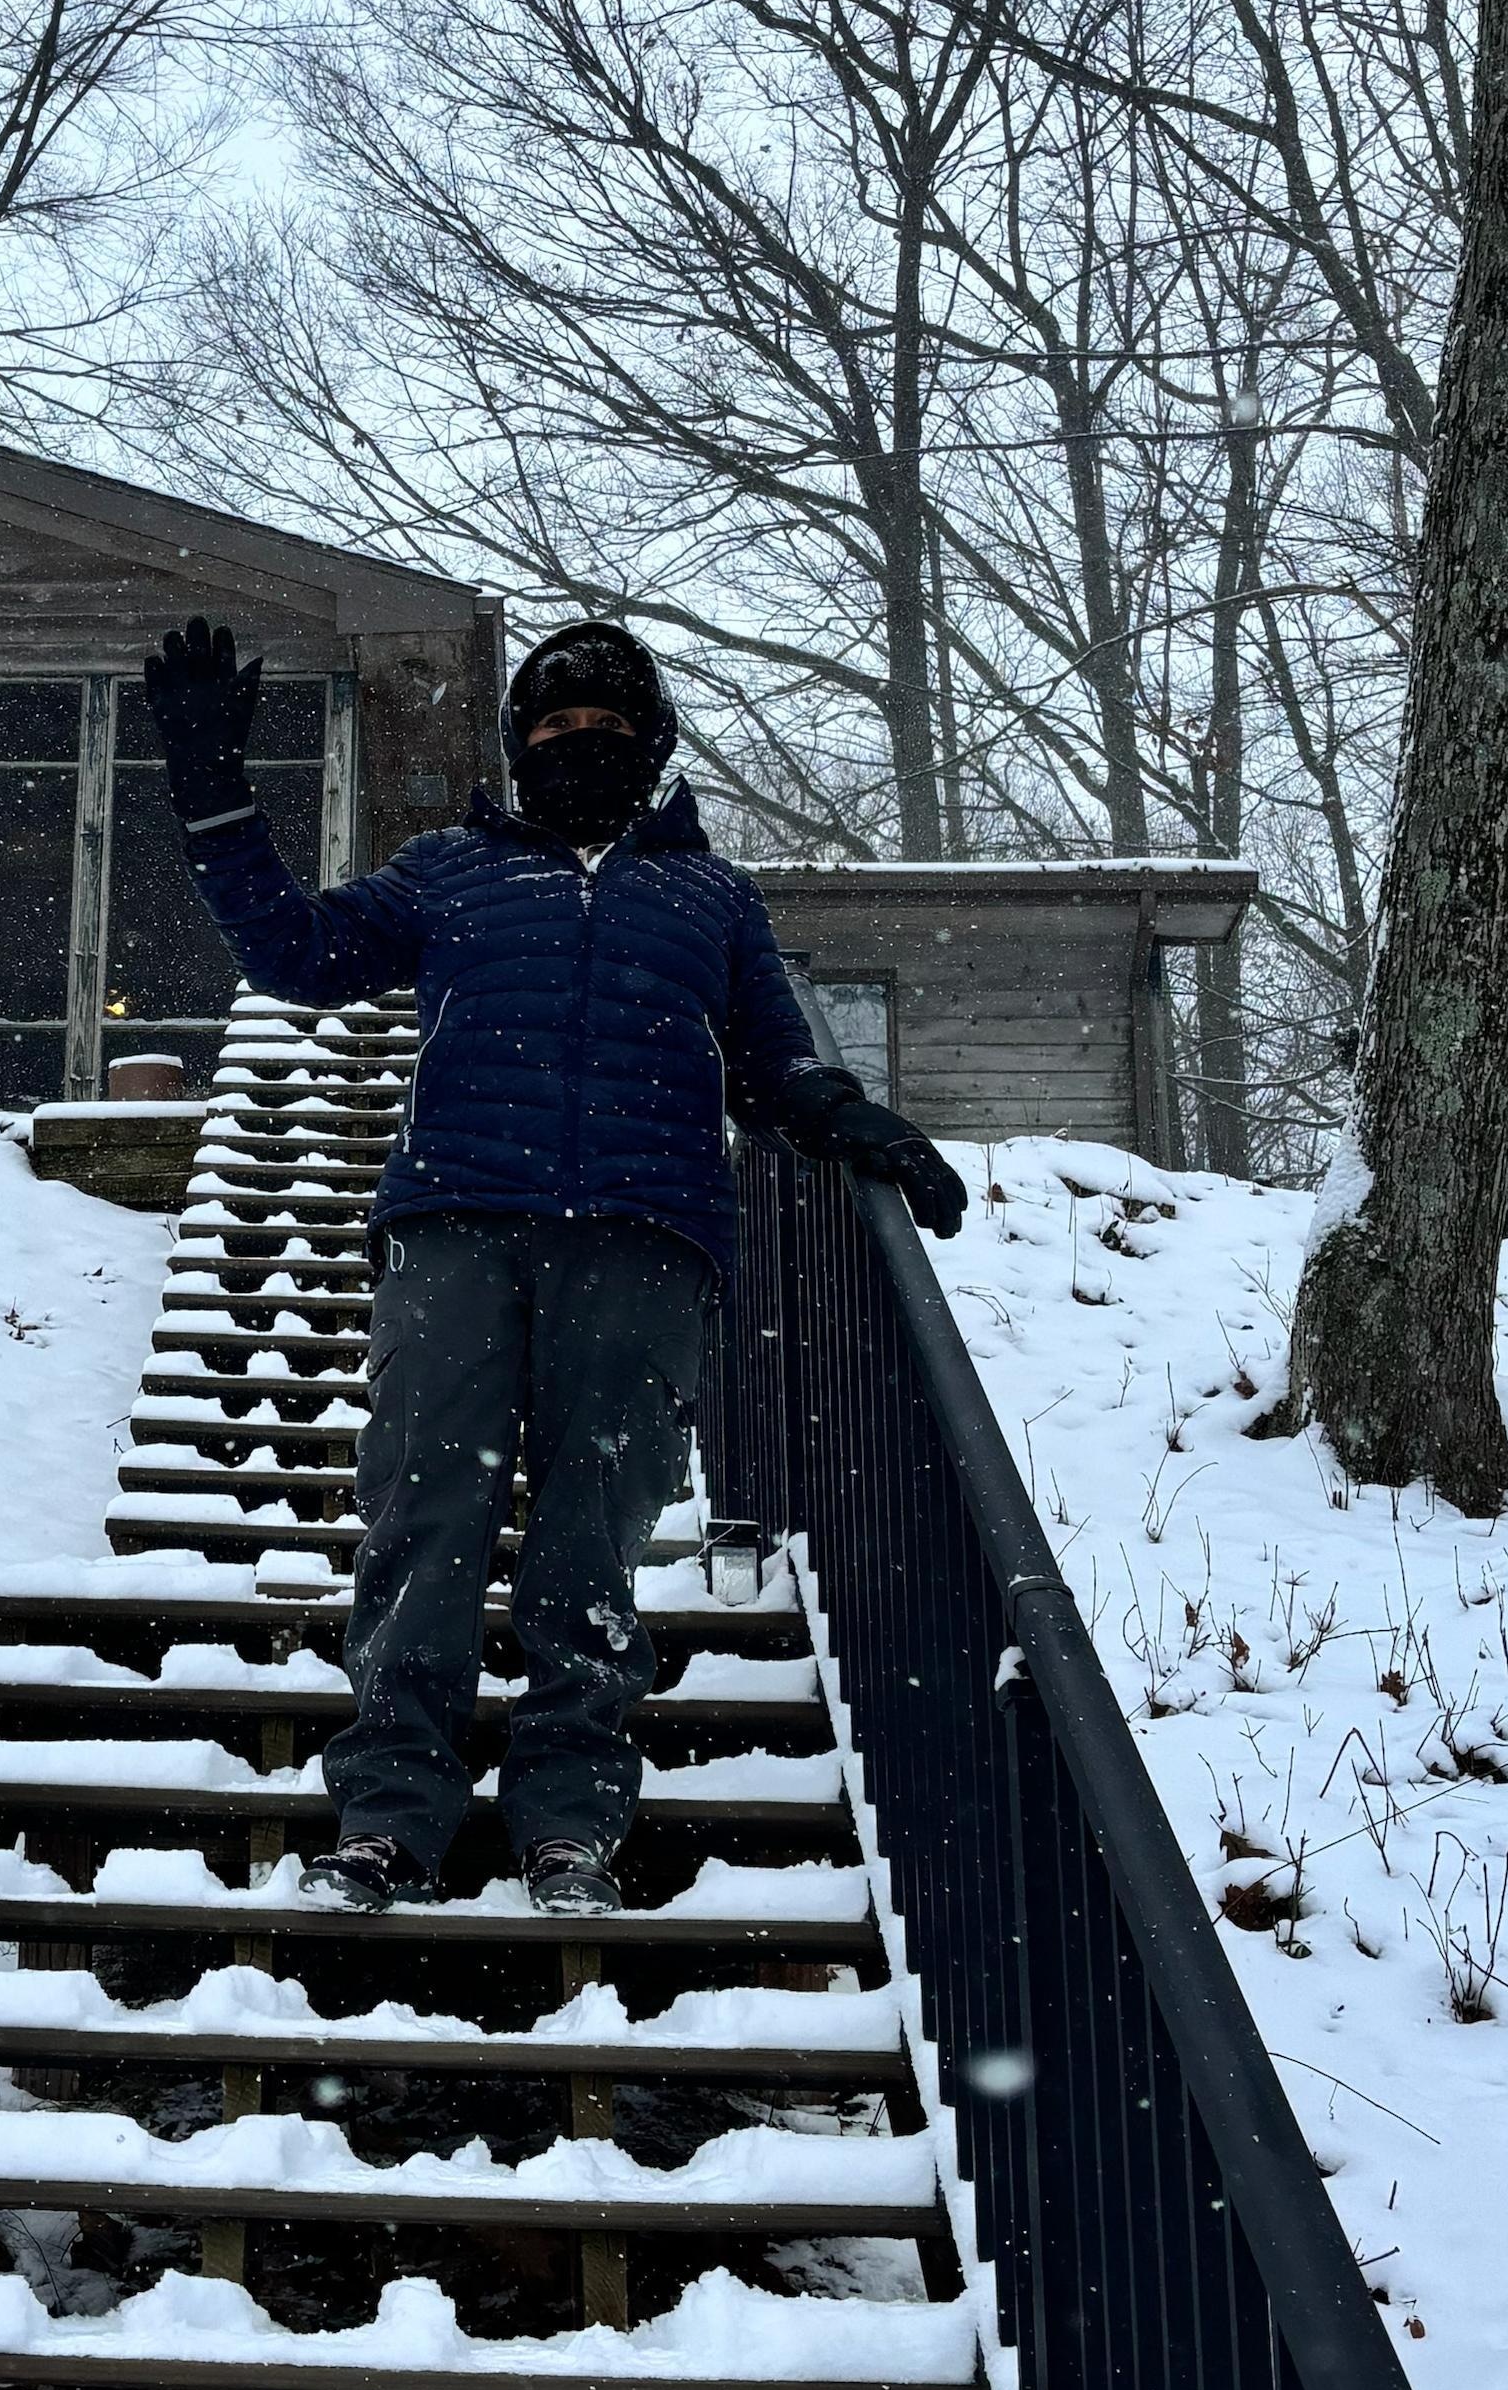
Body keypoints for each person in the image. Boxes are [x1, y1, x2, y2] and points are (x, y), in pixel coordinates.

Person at [142, 611, 970, 1916]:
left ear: (652, 746)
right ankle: (388, 1819)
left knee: (591, 1544)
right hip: (459, 1226)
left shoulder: (711, 898)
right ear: (519, 745)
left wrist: (858, 1122)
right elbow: (296, 956)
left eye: (608, 725)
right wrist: (213, 796)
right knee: (426, 1519)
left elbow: (775, 1063)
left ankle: (570, 1821)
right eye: (556, 724)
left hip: (644, 1241)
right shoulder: (449, 872)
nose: (580, 742)